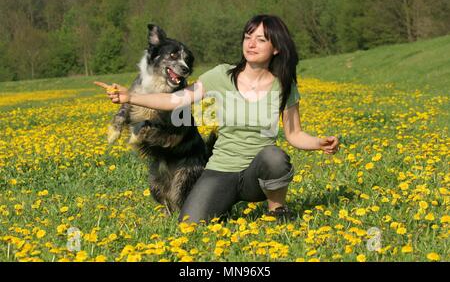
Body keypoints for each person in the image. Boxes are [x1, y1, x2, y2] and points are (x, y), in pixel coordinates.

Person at [95, 14, 339, 223]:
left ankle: (277, 210)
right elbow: (174, 100)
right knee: (190, 222)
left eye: (260, 39)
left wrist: (318, 143)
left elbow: (294, 133)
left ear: (276, 47)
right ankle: (223, 203)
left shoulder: (284, 85)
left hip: (256, 171)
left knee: (274, 157)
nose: (251, 44)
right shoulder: (222, 75)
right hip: (220, 171)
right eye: (247, 37)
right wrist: (130, 97)